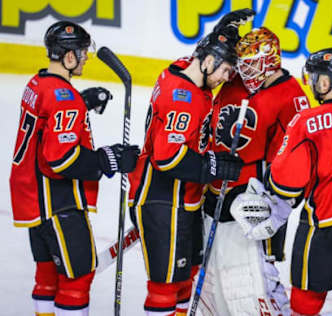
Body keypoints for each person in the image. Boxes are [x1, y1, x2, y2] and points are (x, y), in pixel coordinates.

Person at [242, 44, 332, 315]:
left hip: (324, 222)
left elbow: (286, 184)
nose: (310, 84)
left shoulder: (306, 120)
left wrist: (271, 178)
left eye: (313, 79)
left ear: (324, 81)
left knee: (306, 302)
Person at [9, 21, 139, 316]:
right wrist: (109, 159)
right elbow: (60, 159)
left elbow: (47, 125)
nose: (85, 57)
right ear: (69, 57)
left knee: (46, 276)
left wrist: (82, 101)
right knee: (77, 279)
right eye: (81, 52)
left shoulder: (38, 83)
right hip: (59, 203)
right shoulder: (63, 100)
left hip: (34, 202)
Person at [127, 15, 248, 315]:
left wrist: (223, 33)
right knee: (165, 289)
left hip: (185, 199)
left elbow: (202, 56)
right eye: (224, 70)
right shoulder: (184, 98)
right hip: (161, 200)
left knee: (184, 280)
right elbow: (167, 157)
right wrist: (214, 167)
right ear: (207, 62)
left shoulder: (185, 68)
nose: (225, 78)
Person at [198, 26, 310, 316]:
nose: (241, 70)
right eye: (240, 63)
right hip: (213, 184)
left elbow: (296, 160)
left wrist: (278, 204)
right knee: (215, 271)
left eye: (249, 64)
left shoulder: (292, 97)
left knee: (257, 276)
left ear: (269, 61)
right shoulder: (235, 81)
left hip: (253, 196)